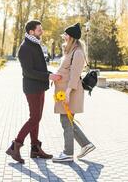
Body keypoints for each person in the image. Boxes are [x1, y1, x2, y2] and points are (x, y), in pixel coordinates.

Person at [6, 20, 61, 164]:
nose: (41, 32)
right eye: (39, 30)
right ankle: (15, 145)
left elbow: (39, 68)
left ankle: (35, 148)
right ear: (31, 32)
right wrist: (48, 76)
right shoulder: (25, 48)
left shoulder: (35, 45)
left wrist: (51, 74)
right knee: (34, 118)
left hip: (39, 87)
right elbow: (29, 72)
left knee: (36, 117)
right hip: (32, 88)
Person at [52, 23, 95, 162]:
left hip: (70, 93)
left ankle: (68, 153)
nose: (63, 37)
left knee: (66, 121)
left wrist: (67, 94)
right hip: (65, 91)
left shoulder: (77, 53)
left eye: (65, 35)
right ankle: (86, 144)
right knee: (67, 120)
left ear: (71, 37)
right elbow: (66, 70)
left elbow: (75, 75)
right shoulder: (70, 51)